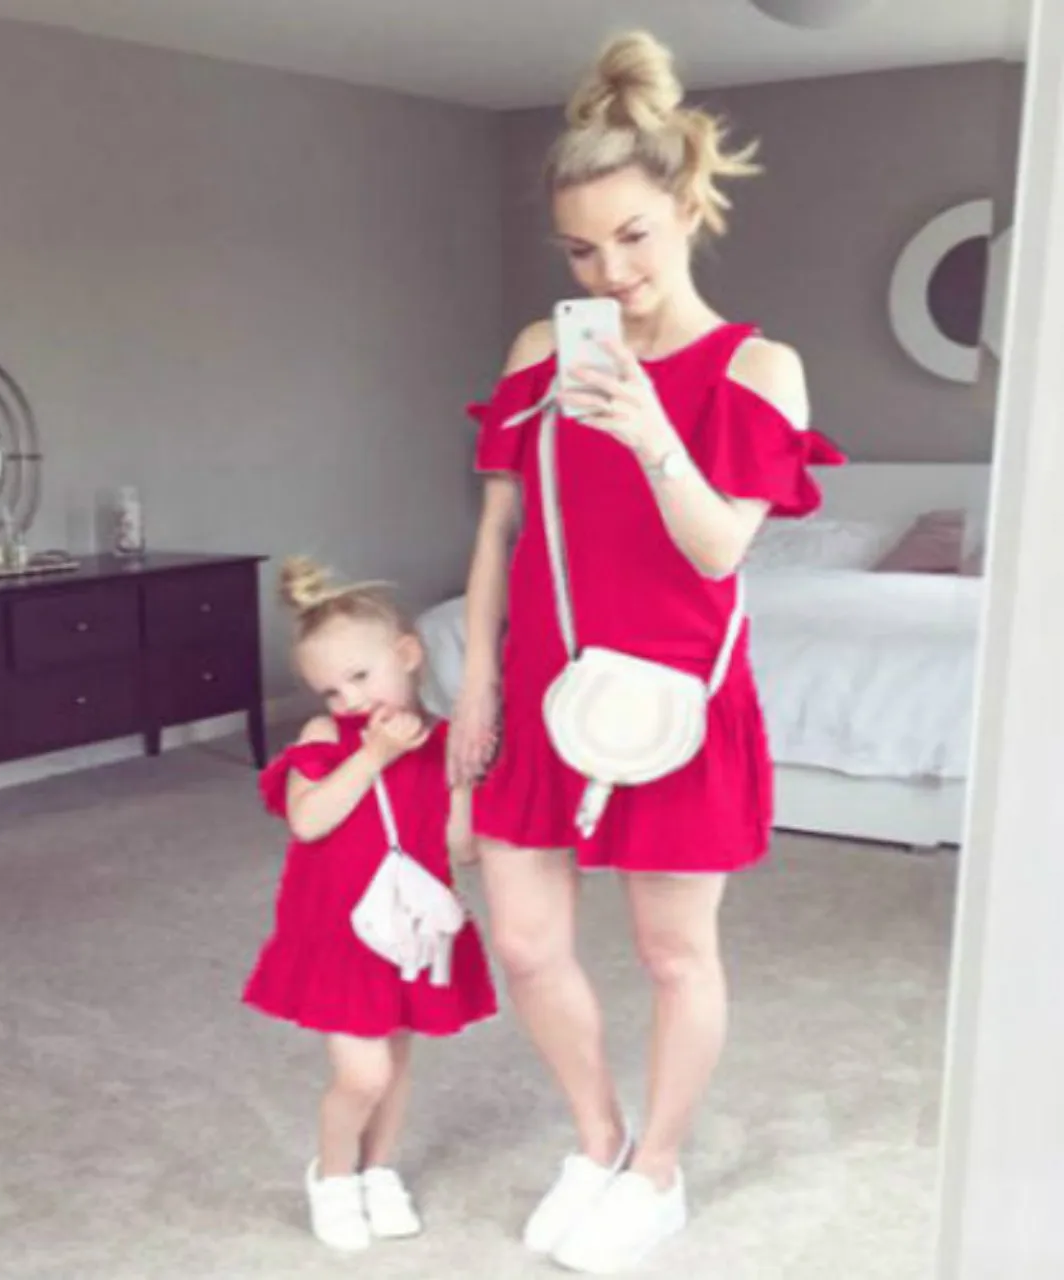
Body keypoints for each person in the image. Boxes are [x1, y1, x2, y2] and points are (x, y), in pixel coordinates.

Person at [448, 28, 845, 1276]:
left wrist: (647, 427)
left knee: (674, 951)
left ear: (684, 208)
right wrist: (473, 683)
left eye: (631, 235)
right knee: (521, 939)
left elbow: (720, 550)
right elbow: (499, 531)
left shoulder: (757, 369)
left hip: (673, 702)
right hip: (541, 692)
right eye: (579, 248)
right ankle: (600, 1137)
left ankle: (658, 1172)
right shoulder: (535, 354)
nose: (606, 270)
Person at [243, 556, 497, 1254]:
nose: (349, 700)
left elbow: (462, 847)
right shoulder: (326, 740)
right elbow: (309, 821)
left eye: (360, 677)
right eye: (330, 689)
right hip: (338, 934)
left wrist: (471, 782)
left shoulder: (442, 745)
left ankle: (378, 1171)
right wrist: (372, 756)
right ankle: (332, 1176)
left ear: (407, 656)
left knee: (398, 1063)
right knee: (363, 1072)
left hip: (407, 933)